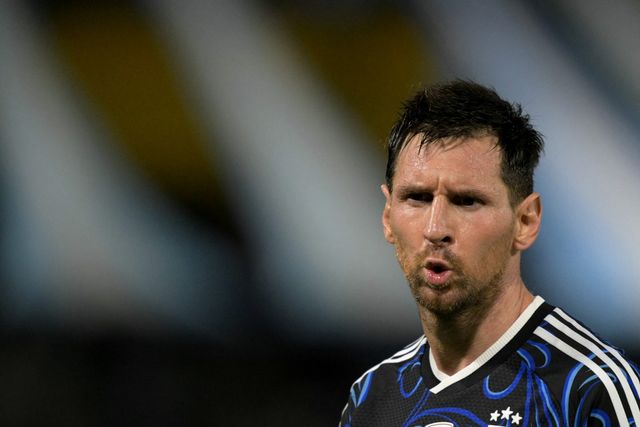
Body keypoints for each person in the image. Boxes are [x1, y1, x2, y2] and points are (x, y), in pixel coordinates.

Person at [339, 80, 640, 427]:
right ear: (388, 216)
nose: (435, 229)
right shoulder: (371, 398)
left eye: (467, 201)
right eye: (417, 198)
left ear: (525, 221)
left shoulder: (592, 390)